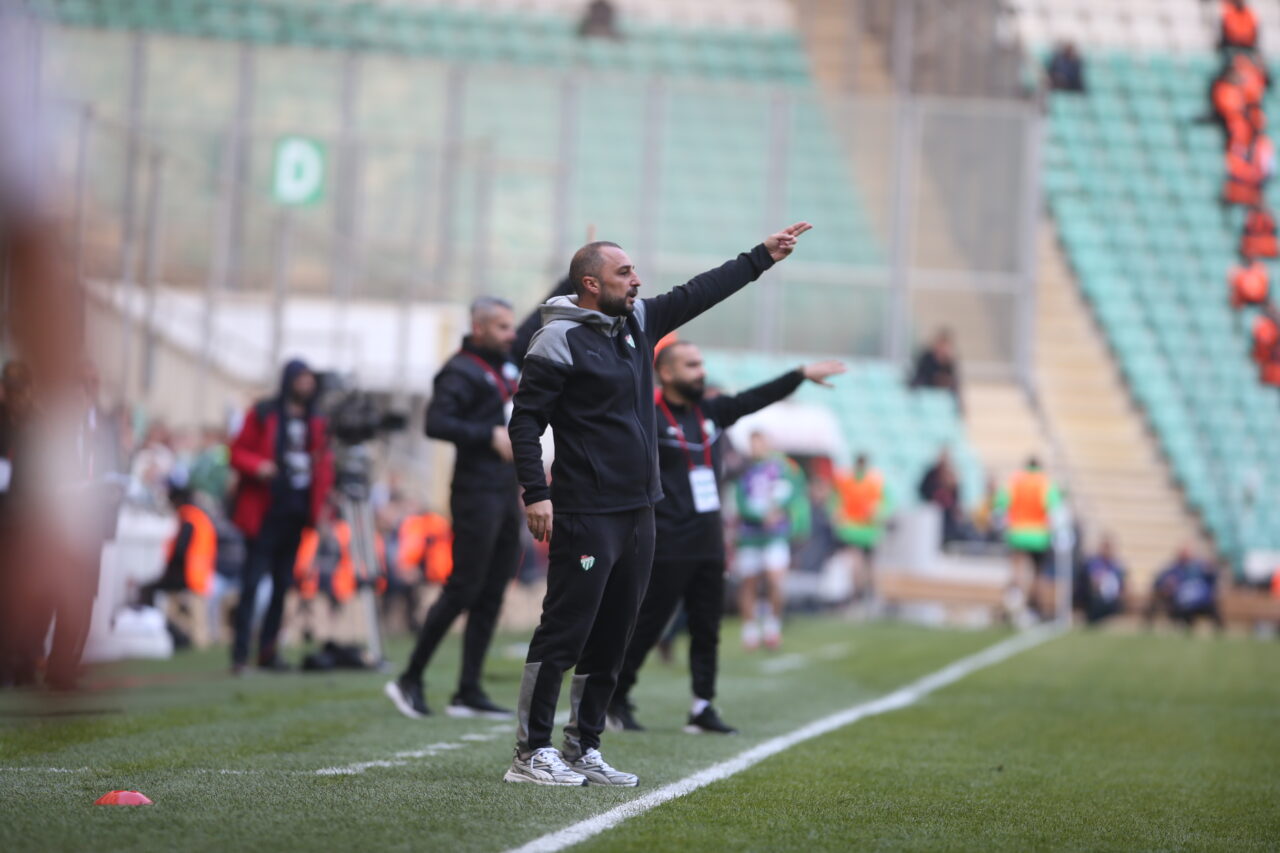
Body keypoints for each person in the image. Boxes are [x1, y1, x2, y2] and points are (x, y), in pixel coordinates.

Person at [506, 223, 812, 787]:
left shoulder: (638, 322)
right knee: (566, 630)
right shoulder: (557, 339)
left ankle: (583, 746)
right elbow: (525, 422)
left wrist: (762, 257)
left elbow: (701, 291)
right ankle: (530, 753)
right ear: (591, 283)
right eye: (624, 272)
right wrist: (536, 492)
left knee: (615, 633)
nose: (637, 280)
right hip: (586, 510)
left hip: (639, 511)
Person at [608, 340, 844, 734]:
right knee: (649, 624)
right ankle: (615, 698)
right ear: (666, 373)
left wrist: (800, 375)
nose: (700, 371)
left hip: (709, 540)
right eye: (691, 365)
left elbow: (756, 397)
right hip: (666, 540)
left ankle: (702, 706)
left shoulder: (712, 411)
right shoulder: (647, 415)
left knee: (707, 627)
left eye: (701, 364)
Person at [385, 297, 526, 720]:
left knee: (493, 590)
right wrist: (488, 435)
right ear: (478, 328)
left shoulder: (506, 360)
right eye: (501, 327)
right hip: (475, 490)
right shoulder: (460, 370)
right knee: (464, 586)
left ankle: (468, 690)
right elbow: (436, 423)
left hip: (506, 489)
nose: (511, 334)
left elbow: (538, 316)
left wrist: (575, 282)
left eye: (511, 326)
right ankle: (410, 678)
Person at [228, 359, 334, 674]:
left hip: (296, 513)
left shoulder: (318, 420)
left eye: (310, 379)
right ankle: (240, 655)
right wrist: (259, 466)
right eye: (301, 378)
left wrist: (321, 509)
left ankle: (269, 652)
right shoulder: (263, 413)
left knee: (282, 584)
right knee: (252, 583)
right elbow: (236, 452)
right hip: (265, 511)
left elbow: (324, 466)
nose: (307, 384)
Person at [734, 431, 810, 650]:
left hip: (775, 535)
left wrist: (779, 511)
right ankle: (749, 630)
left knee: (775, 581)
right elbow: (740, 501)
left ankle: (772, 627)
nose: (756, 448)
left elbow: (793, 492)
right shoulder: (744, 469)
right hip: (750, 536)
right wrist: (759, 516)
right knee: (749, 583)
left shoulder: (782, 468)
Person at [995, 457, 1061, 622]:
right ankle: (1035, 607)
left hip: (1017, 532)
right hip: (1039, 535)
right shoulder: (1045, 482)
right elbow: (1054, 508)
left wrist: (1004, 524)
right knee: (1038, 574)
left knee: (1017, 571)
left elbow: (1001, 504)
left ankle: (1011, 605)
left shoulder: (1015, 481)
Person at [137, 477, 217, 608]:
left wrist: (167, 572)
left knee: (147, 589)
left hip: (188, 578)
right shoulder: (198, 517)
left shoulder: (189, 518)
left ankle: (147, 617)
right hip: (199, 579)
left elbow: (180, 551)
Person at [833, 454, 890, 600]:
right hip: (853, 530)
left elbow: (885, 502)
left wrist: (879, 512)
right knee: (857, 563)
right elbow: (836, 501)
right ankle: (859, 594)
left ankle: (867, 593)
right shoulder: (848, 481)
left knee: (868, 565)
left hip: (868, 531)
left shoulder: (874, 482)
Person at [918, 448, 964, 545]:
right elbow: (923, 489)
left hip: (947, 513)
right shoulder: (932, 474)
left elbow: (956, 496)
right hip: (934, 510)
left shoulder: (951, 475)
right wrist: (932, 499)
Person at [1078, 535, 1126, 625]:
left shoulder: (1116, 565)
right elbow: (1092, 582)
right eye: (1105, 547)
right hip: (1096, 597)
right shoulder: (1093, 562)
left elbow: (1122, 584)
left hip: (1113, 598)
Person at [909, 327, 961, 405]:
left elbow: (954, 382)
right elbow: (919, 376)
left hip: (940, 394)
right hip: (925, 390)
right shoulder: (926, 357)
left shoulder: (949, 362)